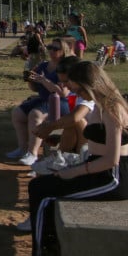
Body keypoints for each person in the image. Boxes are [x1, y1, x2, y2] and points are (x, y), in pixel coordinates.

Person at [27, 61, 128, 255]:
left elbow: (111, 159)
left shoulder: (112, 108)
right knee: (40, 186)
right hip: (98, 168)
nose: (77, 95)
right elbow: (98, 139)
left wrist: (73, 171)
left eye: (78, 90)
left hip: (112, 177)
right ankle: (51, 244)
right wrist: (56, 138)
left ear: (91, 84)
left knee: (43, 192)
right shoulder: (99, 104)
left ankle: (43, 249)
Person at [6, 38, 72, 166]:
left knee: (35, 115)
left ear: (64, 51)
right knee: (17, 113)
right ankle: (22, 149)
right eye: (50, 47)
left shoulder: (65, 68)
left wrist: (43, 80)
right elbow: (35, 88)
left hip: (58, 103)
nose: (51, 51)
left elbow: (63, 93)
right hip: (43, 100)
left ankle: (33, 153)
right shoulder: (44, 65)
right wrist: (30, 80)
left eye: (56, 49)